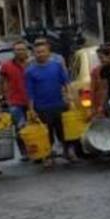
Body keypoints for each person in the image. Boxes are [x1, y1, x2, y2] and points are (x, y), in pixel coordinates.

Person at [25, 38, 73, 168]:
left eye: (43, 51)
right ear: (34, 54)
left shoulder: (57, 66)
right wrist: (31, 109)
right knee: (46, 134)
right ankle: (47, 155)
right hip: (42, 107)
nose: (40, 54)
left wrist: (69, 97)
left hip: (59, 104)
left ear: (48, 52)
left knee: (63, 131)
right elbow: (30, 93)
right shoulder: (30, 71)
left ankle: (67, 152)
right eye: (38, 52)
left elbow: (66, 83)